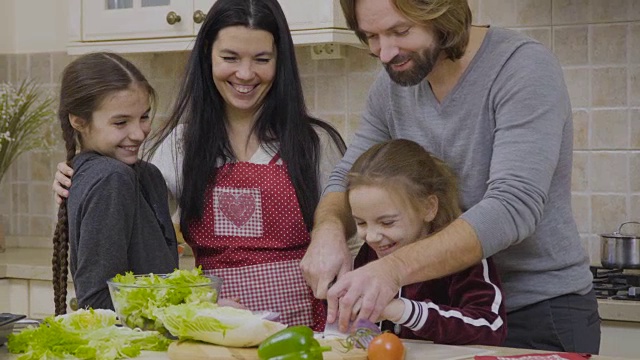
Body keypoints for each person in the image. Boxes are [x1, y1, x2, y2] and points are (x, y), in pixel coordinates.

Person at [300, 0, 600, 353]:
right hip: (441, 316)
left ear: (441, 14)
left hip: (536, 312)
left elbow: (513, 206)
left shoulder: (522, 68)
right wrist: (328, 231)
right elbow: (346, 178)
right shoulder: (391, 87)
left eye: (400, 31)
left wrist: (392, 270)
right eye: (372, 36)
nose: (384, 53)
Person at [53, 0, 345, 331]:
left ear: (281, 62)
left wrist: (332, 230)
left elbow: (344, 228)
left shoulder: (314, 142)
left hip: (304, 330)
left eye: (262, 59)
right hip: (209, 329)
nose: (246, 73)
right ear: (207, 56)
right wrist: (83, 178)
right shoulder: (181, 144)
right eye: (230, 57)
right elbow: (133, 213)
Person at [51, 52, 179, 315]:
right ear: (78, 121)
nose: (139, 133)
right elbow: (97, 300)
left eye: (144, 117)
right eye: (121, 122)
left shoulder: (146, 174)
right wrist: (194, 307)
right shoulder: (112, 178)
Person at [347, 139, 506, 345]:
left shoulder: (462, 252)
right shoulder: (370, 253)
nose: (371, 237)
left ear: (428, 207)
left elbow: (490, 327)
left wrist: (403, 311)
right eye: (361, 223)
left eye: (387, 222)